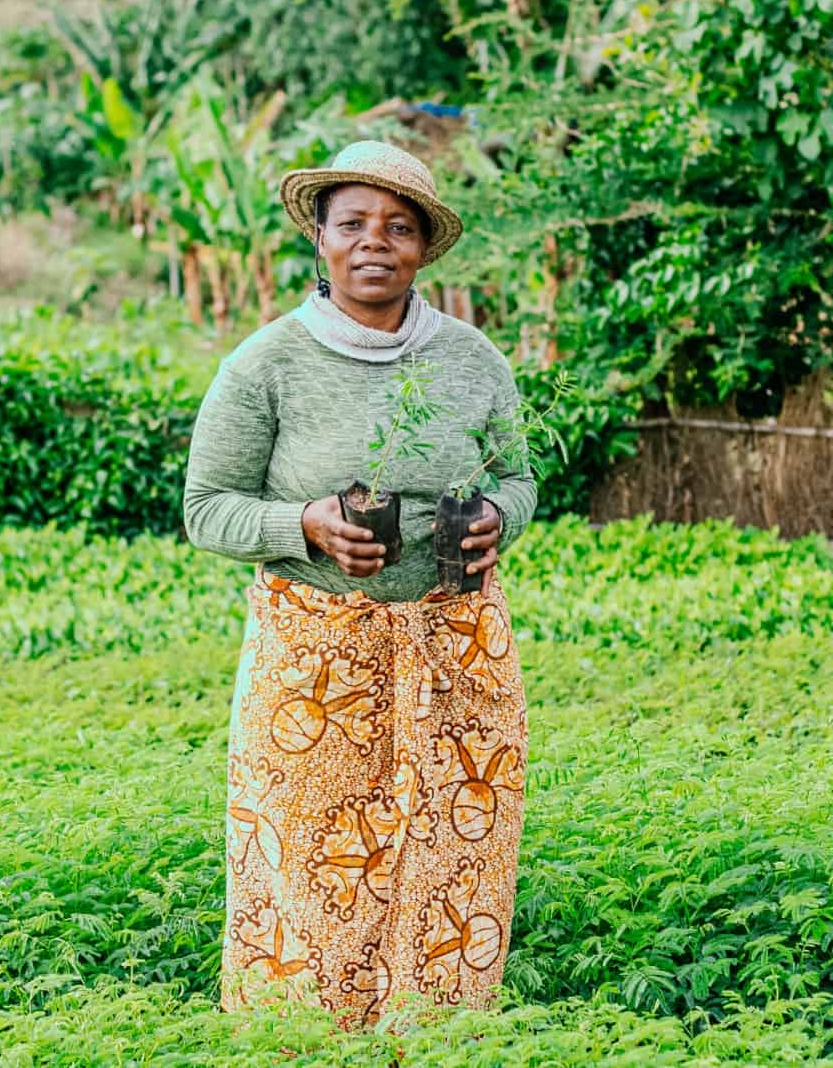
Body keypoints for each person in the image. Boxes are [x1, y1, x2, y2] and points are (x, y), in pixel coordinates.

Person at [183, 140, 535, 1027]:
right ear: (321, 238)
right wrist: (302, 523)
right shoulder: (265, 365)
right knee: (310, 863)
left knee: (456, 854)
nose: (375, 242)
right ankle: (308, 1039)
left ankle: (438, 1034)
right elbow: (205, 507)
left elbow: (520, 478)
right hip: (317, 660)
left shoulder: (472, 360)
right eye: (354, 224)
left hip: (454, 652)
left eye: (399, 227)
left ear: (423, 248)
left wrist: (500, 515)